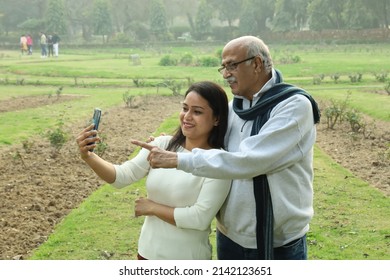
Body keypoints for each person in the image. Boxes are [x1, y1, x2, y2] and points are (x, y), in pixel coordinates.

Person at [132, 35, 321, 260]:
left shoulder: (293, 107)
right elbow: (207, 139)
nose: (226, 74)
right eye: (223, 67)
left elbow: (251, 160)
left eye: (232, 65)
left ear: (257, 64)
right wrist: (169, 143)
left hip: (280, 243)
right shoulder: (234, 108)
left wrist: (178, 160)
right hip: (230, 238)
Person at [76, 81, 231, 260]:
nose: (187, 116)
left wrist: (153, 207)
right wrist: (88, 156)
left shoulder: (218, 162)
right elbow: (121, 176)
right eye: (185, 108)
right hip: (147, 253)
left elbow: (199, 218)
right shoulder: (162, 145)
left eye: (197, 112)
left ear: (217, 118)